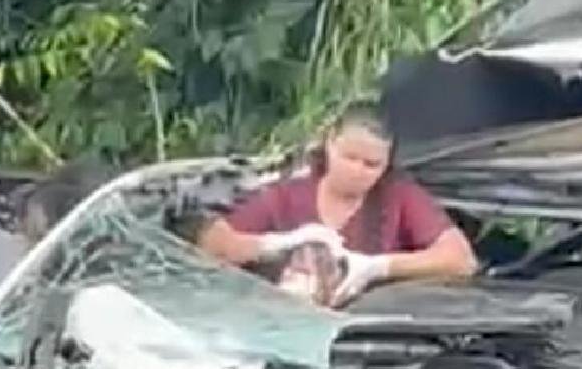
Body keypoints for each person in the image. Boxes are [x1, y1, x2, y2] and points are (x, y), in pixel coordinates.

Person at [197, 102, 477, 306]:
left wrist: (378, 267)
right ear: (330, 143)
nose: (357, 170)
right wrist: (277, 244)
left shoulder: (398, 197)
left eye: (371, 164)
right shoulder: (287, 195)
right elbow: (212, 245)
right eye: (349, 157)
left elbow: (460, 260)